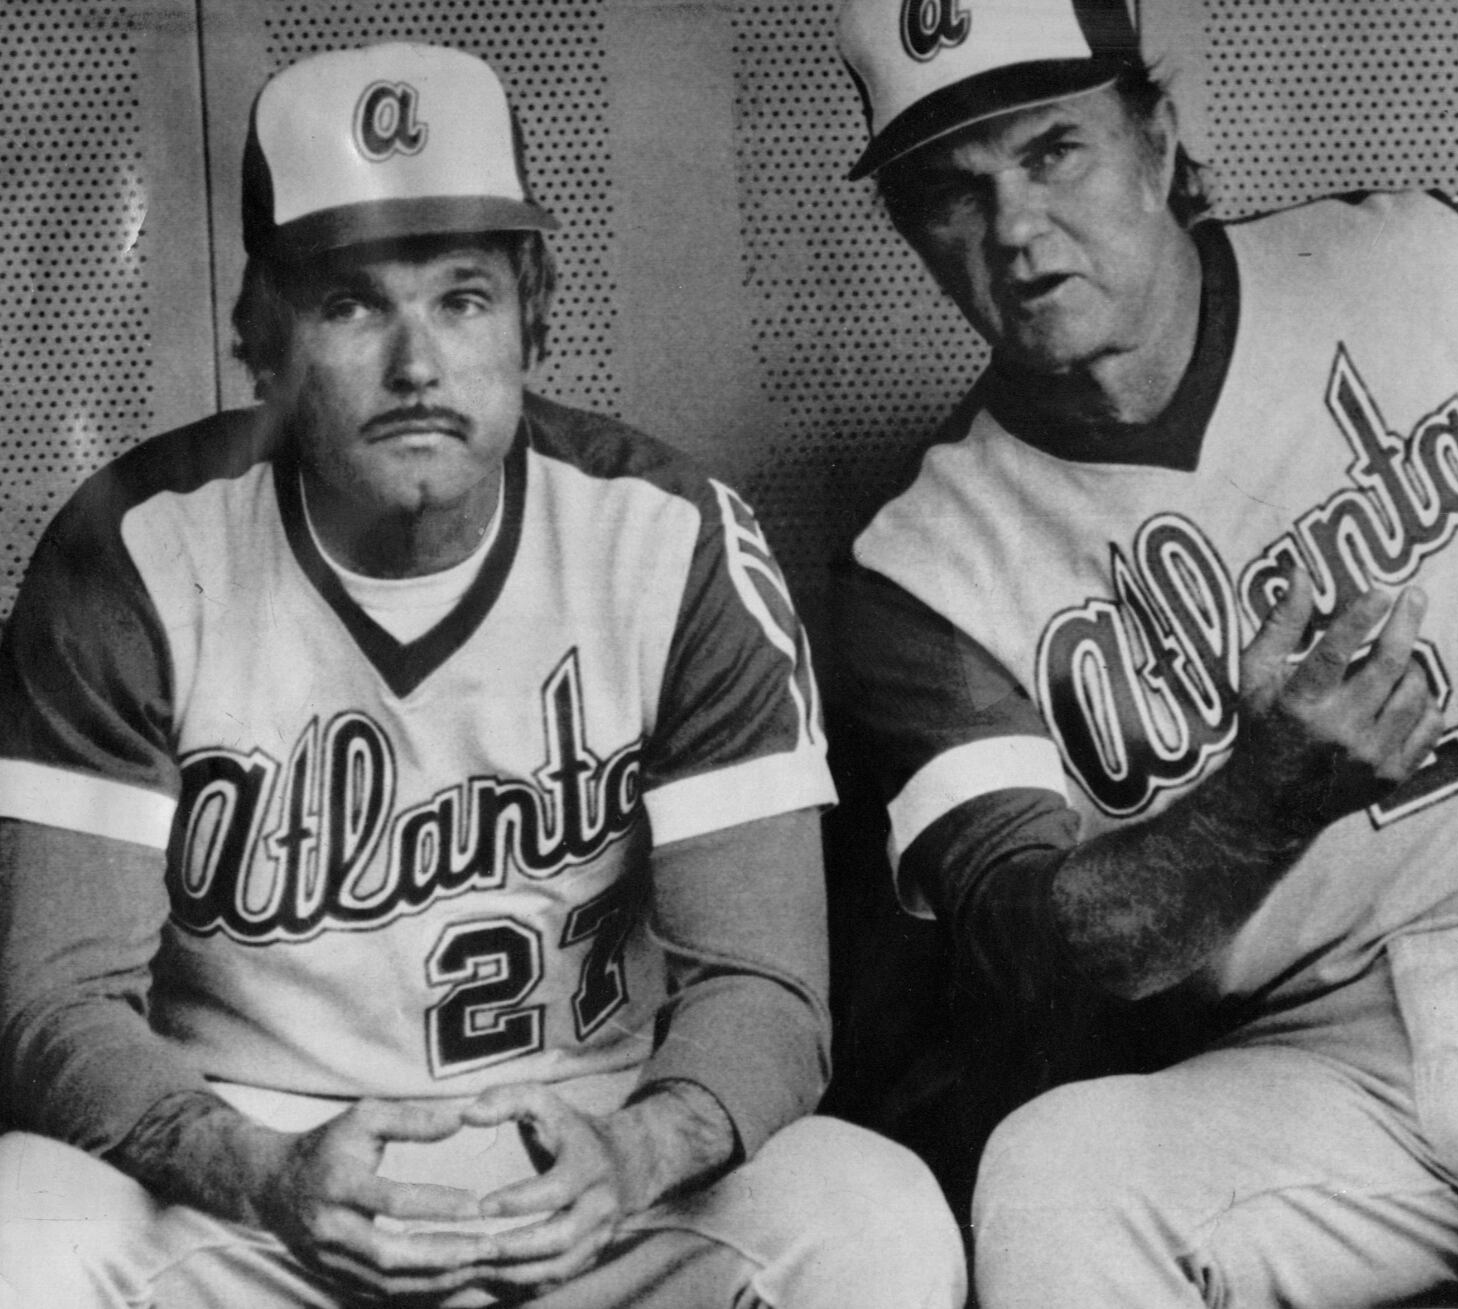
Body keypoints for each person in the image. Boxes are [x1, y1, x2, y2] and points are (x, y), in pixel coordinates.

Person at [0, 41, 965, 1309]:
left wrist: (638, 1152)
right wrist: (252, 1169)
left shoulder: (667, 539)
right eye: (351, 302)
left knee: (867, 1214)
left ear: (530, 315)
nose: (418, 362)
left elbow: (768, 988)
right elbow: (57, 1004)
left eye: (462, 297)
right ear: (264, 339)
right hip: (252, 1179)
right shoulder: (129, 550)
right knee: (22, 1220)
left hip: (589, 1162)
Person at [833, 0, 1458, 1303]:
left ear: (1156, 132)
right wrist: (1266, 794)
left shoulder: (1424, 261)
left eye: (1052, 151)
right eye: (949, 191)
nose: (1013, 231)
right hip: (1326, 1064)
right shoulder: (921, 573)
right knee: (1062, 1175)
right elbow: (1039, 953)